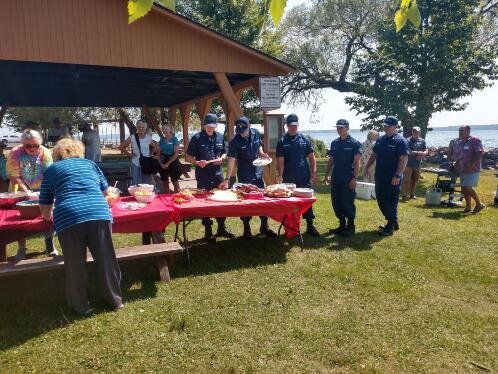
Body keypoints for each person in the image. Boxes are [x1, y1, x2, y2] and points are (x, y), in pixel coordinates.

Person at [39, 138, 123, 316]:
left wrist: (47, 216)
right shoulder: (90, 164)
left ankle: (81, 306)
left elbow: (45, 206)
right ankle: (115, 300)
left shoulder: (52, 169)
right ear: (79, 151)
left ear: (57, 154)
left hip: (68, 215)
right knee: (106, 259)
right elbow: (106, 193)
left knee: (75, 263)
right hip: (98, 212)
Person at [220, 117, 278, 240]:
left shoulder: (256, 133)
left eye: (244, 129)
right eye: (239, 129)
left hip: (257, 172)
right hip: (244, 174)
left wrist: (261, 153)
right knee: (246, 202)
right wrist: (227, 178)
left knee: (262, 199)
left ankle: (264, 226)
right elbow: (231, 160)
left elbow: (259, 146)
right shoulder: (235, 140)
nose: (242, 132)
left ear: (249, 126)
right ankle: (247, 229)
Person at [6, 129, 58, 259]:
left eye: (35, 145)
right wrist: (26, 192)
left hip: (43, 188)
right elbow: (14, 176)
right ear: (23, 144)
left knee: (48, 215)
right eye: (28, 146)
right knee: (21, 218)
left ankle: (49, 244)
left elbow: (48, 173)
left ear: (40, 143)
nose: (32, 148)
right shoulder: (15, 152)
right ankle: (22, 248)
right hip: (19, 188)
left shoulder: (45, 152)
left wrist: (44, 191)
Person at [185, 113, 234, 243]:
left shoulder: (219, 136)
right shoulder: (196, 138)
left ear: (216, 126)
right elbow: (188, 157)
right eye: (207, 126)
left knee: (221, 201)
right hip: (203, 175)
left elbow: (224, 151)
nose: (209, 129)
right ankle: (208, 231)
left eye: (212, 127)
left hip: (218, 174)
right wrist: (197, 163)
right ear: (203, 125)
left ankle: (221, 227)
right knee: (204, 202)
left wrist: (221, 158)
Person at [276, 113, 320, 237]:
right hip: (289, 178)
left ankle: (310, 225)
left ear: (298, 125)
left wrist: (314, 172)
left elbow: (312, 157)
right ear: (286, 126)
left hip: (303, 175)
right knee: (290, 202)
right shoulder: (282, 141)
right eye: (290, 125)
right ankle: (292, 226)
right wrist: (280, 175)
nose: (292, 128)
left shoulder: (304, 139)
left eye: (294, 125)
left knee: (306, 201)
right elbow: (281, 161)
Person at [364, 116, 409, 236]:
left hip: (393, 177)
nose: (385, 128)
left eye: (388, 126)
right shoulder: (381, 139)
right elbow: (374, 154)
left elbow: (403, 159)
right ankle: (393, 221)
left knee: (391, 201)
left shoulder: (400, 141)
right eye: (384, 126)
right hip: (380, 175)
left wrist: (398, 176)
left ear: (395, 126)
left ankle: (390, 226)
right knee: (380, 199)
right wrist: (367, 167)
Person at [323, 119, 362, 237]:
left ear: (347, 128)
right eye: (337, 128)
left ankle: (351, 227)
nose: (339, 130)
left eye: (341, 128)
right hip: (336, 177)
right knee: (336, 202)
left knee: (347, 202)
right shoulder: (335, 143)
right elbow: (332, 160)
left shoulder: (355, 143)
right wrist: (327, 175)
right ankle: (342, 225)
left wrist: (354, 178)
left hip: (348, 178)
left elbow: (357, 162)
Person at [456, 125, 485, 213]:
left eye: (462, 130)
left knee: (467, 187)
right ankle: (468, 207)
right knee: (464, 189)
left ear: (468, 131)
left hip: (473, 169)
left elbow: (480, 153)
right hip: (463, 169)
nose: (460, 132)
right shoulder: (461, 142)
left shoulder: (475, 140)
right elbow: (461, 156)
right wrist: (456, 163)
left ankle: (479, 204)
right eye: (459, 130)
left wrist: (472, 164)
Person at [118, 120, 157, 186]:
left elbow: (153, 147)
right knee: (136, 183)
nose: (141, 129)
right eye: (139, 127)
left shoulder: (148, 138)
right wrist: (130, 155)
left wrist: (150, 154)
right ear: (136, 127)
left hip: (146, 163)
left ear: (145, 128)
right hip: (136, 163)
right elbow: (121, 147)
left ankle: (146, 195)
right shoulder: (132, 137)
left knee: (148, 183)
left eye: (143, 127)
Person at [401, 126, 428, 200]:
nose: (415, 133)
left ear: (419, 133)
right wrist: (418, 152)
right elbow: (407, 151)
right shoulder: (407, 140)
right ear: (412, 132)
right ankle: (404, 195)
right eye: (413, 131)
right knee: (407, 180)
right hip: (408, 163)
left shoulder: (422, 141)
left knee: (415, 180)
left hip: (417, 164)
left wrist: (422, 155)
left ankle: (412, 195)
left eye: (416, 131)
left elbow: (426, 150)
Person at [157, 123, 181, 193]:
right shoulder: (161, 140)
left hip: (172, 162)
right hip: (163, 161)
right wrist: (161, 163)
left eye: (166, 129)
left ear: (170, 130)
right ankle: (166, 199)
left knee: (175, 183)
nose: (164, 131)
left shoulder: (174, 139)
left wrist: (167, 164)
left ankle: (178, 199)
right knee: (164, 182)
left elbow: (176, 154)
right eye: (163, 129)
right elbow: (159, 153)